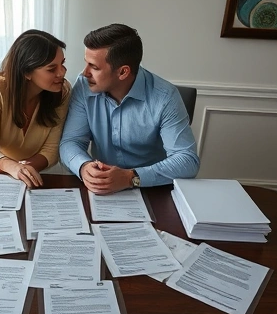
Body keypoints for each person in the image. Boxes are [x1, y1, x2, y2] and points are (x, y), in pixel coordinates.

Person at [59, 23, 199, 194]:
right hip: (102, 191)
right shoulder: (84, 86)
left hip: (151, 191)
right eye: (86, 63)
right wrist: (83, 166)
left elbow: (187, 160)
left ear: (123, 72)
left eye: (94, 67)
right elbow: (70, 142)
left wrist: (130, 177)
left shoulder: (165, 97)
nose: (84, 73)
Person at [0, 29, 70, 188]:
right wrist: (15, 168)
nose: (62, 73)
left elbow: (51, 150)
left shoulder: (62, 91)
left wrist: (24, 169)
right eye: (51, 69)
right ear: (26, 72)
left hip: (16, 175)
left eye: (62, 64)